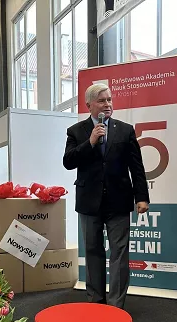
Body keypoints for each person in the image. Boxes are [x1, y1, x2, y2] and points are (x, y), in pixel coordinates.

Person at [63, 83, 149, 309]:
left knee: (119, 253)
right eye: (102, 100)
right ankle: (96, 302)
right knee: (93, 251)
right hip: (89, 201)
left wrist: (142, 197)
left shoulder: (125, 130)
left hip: (119, 200)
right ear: (89, 105)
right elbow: (68, 162)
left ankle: (116, 305)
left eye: (109, 99)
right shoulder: (76, 131)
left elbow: (136, 167)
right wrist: (90, 142)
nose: (107, 104)